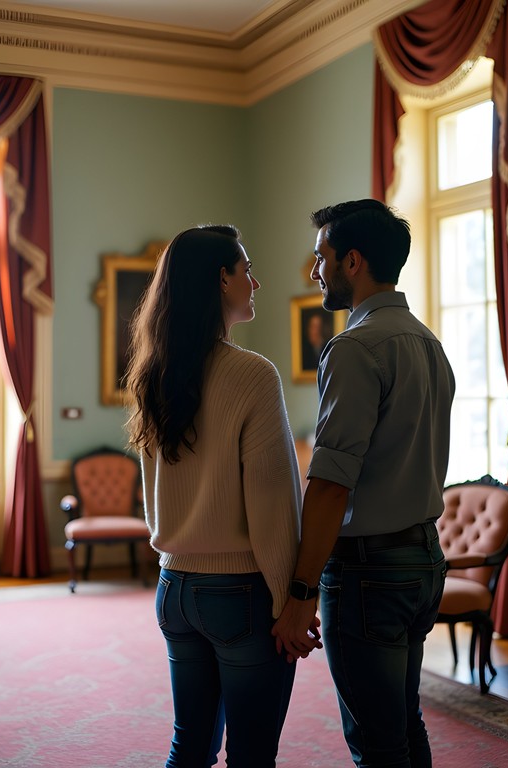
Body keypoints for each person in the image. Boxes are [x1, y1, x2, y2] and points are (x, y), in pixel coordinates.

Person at [271, 200, 455, 768]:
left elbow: (330, 484)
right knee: (402, 723)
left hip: (368, 572)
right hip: (423, 560)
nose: (314, 270)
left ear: (352, 262)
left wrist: (301, 593)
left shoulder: (354, 348)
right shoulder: (430, 345)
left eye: (321, 257)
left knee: (377, 744)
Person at [124, 224, 303, 768]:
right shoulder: (252, 375)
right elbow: (273, 504)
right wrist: (292, 598)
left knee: (191, 745)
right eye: (246, 269)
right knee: (252, 755)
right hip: (242, 594)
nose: (256, 280)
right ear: (222, 279)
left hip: (173, 588)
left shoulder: (151, 375)